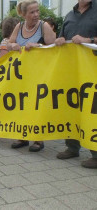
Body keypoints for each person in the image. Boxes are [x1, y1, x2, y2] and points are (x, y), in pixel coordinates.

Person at [7, 0, 56, 152]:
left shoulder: (44, 26)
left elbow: (55, 49)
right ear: (23, 14)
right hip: (22, 75)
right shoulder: (19, 26)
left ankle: (38, 139)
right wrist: (13, 45)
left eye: (37, 11)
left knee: (37, 104)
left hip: (40, 74)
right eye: (32, 12)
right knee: (22, 104)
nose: (36, 15)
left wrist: (39, 46)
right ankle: (22, 136)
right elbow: (9, 42)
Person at [55, 0, 97, 169]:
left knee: (92, 109)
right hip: (71, 72)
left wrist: (89, 39)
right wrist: (60, 40)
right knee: (72, 106)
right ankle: (72, 146)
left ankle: (95, 152)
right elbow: (61, 36)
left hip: (92, 72)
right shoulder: (69, 15)